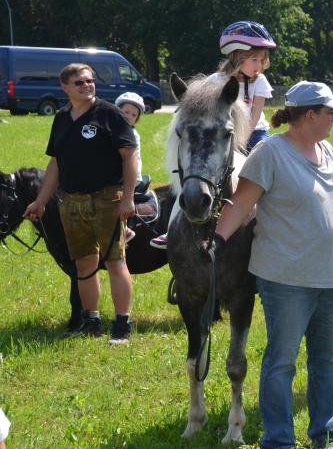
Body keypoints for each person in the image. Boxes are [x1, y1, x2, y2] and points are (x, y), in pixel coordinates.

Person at [211, 81, 333, 448]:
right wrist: (217, 240)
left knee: (327, 361)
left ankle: (326, 436)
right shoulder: (270, 153)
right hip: (286, 280)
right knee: (281, 362)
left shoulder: (328, 150)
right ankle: (278, 440)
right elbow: (240, 203)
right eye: (330, 112)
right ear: (310, 115)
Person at [23, 63, 137, 343]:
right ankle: (91, 321)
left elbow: (129, 156)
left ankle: (122, 324)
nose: (87, 85)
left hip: (107, 199)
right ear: (65, 87)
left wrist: (128, 198)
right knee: (84, 265)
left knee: (115, 261)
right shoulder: (61, 118)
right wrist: (41, 201)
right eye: (80, 82)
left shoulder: (109, 114)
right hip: (71, 202)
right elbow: (55, 163)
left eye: (89, 81)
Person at [152, 20, 277, 249]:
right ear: (237, 56)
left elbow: (255, 115)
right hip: (219, 135)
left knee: (270, 173)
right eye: (254, 60)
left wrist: (240, 142)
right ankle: (173, 229)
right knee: (189, 172)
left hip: (254, 133)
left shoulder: (261, 82)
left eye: (262, 60)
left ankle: (272, 224)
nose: (259, 66)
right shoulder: (216, 81)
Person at [115, 92, 145, 241]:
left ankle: (124, 229)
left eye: (134, 115)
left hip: (130, 174)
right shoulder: (112, 129)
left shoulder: (132, 134)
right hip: (117, 172)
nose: (129, 116)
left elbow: (131, 159)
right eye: (126, 112)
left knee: (114, 197)